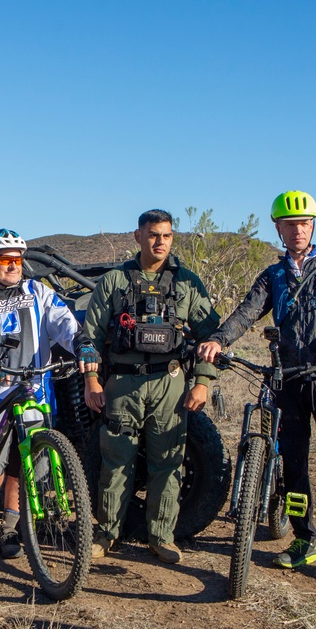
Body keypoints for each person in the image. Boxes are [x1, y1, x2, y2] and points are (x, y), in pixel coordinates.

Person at [197, 190, 316, 585]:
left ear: (313, 226)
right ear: (278, 228)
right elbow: (246, 311)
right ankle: (304, 539)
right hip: (286, 378)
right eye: (290, 224)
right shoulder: (274, 275)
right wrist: (220, 339)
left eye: (304, 223)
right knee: (293, 463)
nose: (298, 230)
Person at [0, 228, 95, 559]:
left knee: (22, 465)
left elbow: (65, 325)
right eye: (6, 260)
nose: (14, 266)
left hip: (35, 390)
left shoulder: (37, 291)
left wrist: (82, 345)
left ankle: (7, 527)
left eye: (18, 260)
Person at [80, 209, 220, 565]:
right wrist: (92, 380)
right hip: (123, 384)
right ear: (138, 236)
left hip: (169, 383)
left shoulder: (187, 283)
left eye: (167, 236)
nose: (160, 242)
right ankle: (107, 533)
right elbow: (90, 336)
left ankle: (162, 537)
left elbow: (211, 337)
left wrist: (202, 382)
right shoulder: (114, 281)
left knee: (168, 463)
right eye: (154, 234)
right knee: (115, 462)